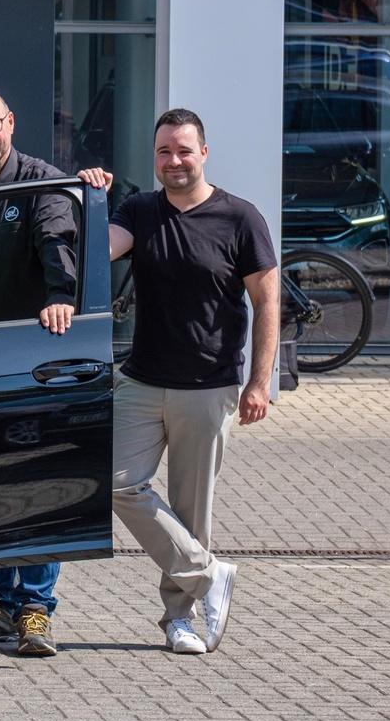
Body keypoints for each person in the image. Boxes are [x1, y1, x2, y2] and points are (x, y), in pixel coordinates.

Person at [0, 90, 109, 659]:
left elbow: (57, 242)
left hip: (35, 357)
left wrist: (61, 298)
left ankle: (35, 611)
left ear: (12, 123)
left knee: (35, 485)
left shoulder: (41, 183)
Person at [108, 108, 279, 655]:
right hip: (139, 380)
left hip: (207, 385)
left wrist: (260, 382)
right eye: (164, 152)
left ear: (204, 152)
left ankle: (179, 619)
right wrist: (91, 195)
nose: (174, 161)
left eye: (184, 150)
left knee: (189, 507)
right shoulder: (139, 210)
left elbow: (267, 302)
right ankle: (209, 573)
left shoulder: (240, 218)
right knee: (114, 481)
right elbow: (96, 248)